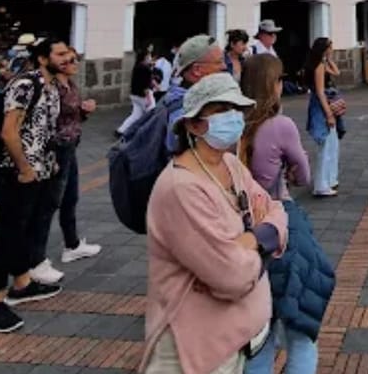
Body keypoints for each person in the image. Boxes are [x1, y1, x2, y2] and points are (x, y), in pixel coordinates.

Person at [142, 73, 288, 374]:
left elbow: (276, 211)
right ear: (194, 125)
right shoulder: (181, 188)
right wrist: (263, 242)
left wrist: (251, 240)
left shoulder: (231, 165)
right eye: (221, 109)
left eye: (237, 109)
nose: (233, 117)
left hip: (246, 334)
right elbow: (231, 277)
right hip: (200, 349)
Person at [239, 54, 332, 374]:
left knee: (258, 335)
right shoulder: (280, 125)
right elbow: (303, 175)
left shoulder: (235, 126)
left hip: (243, 228)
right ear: (273, 84)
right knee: (300, 332)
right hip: (279, 218)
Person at [0, 38, 69, 334]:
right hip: (17, 173)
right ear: (42, 58)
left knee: (23, 230)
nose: (68, 58)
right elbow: (9, 132)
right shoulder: (25, 84)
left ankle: (22, 283)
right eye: (61, 54)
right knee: (7, 234)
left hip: (40, 170)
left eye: (69, 53)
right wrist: (25, 168)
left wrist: (50, 162)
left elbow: (43, 129)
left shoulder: (52, 86)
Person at [29, 48, 102, 277]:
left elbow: (71, 116)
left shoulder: (70, 85)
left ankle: (72, 245)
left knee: (70, 199)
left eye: (74, 59)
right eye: (68, 59)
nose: (74, 63)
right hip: (57, 149)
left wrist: (84, 110)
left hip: (70, 147)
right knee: (49, 204)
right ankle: (36, 261)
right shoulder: (50, 88)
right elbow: (47, 120)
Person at [304, 37, 339, 198]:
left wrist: (329, 60)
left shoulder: (320, 63)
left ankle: (329, 179)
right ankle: (321, 184)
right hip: (321, 106)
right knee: (325, 145)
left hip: (321, 104)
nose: (332, 49)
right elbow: (320, 92)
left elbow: (336, 72)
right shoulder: (318, 66)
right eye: (330, 47)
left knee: (331, 143)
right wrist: (329, 114)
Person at [118, 48, 155, 137]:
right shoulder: (146, 69)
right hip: (143, 96)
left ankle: (121, 130)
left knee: (136, 115)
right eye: (149, 56)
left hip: (134, 94)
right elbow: (146, 85)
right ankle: (148, 133)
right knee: (152, 114)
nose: (150, 57)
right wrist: (149, 99)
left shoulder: (137, 67)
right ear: (145, 57)